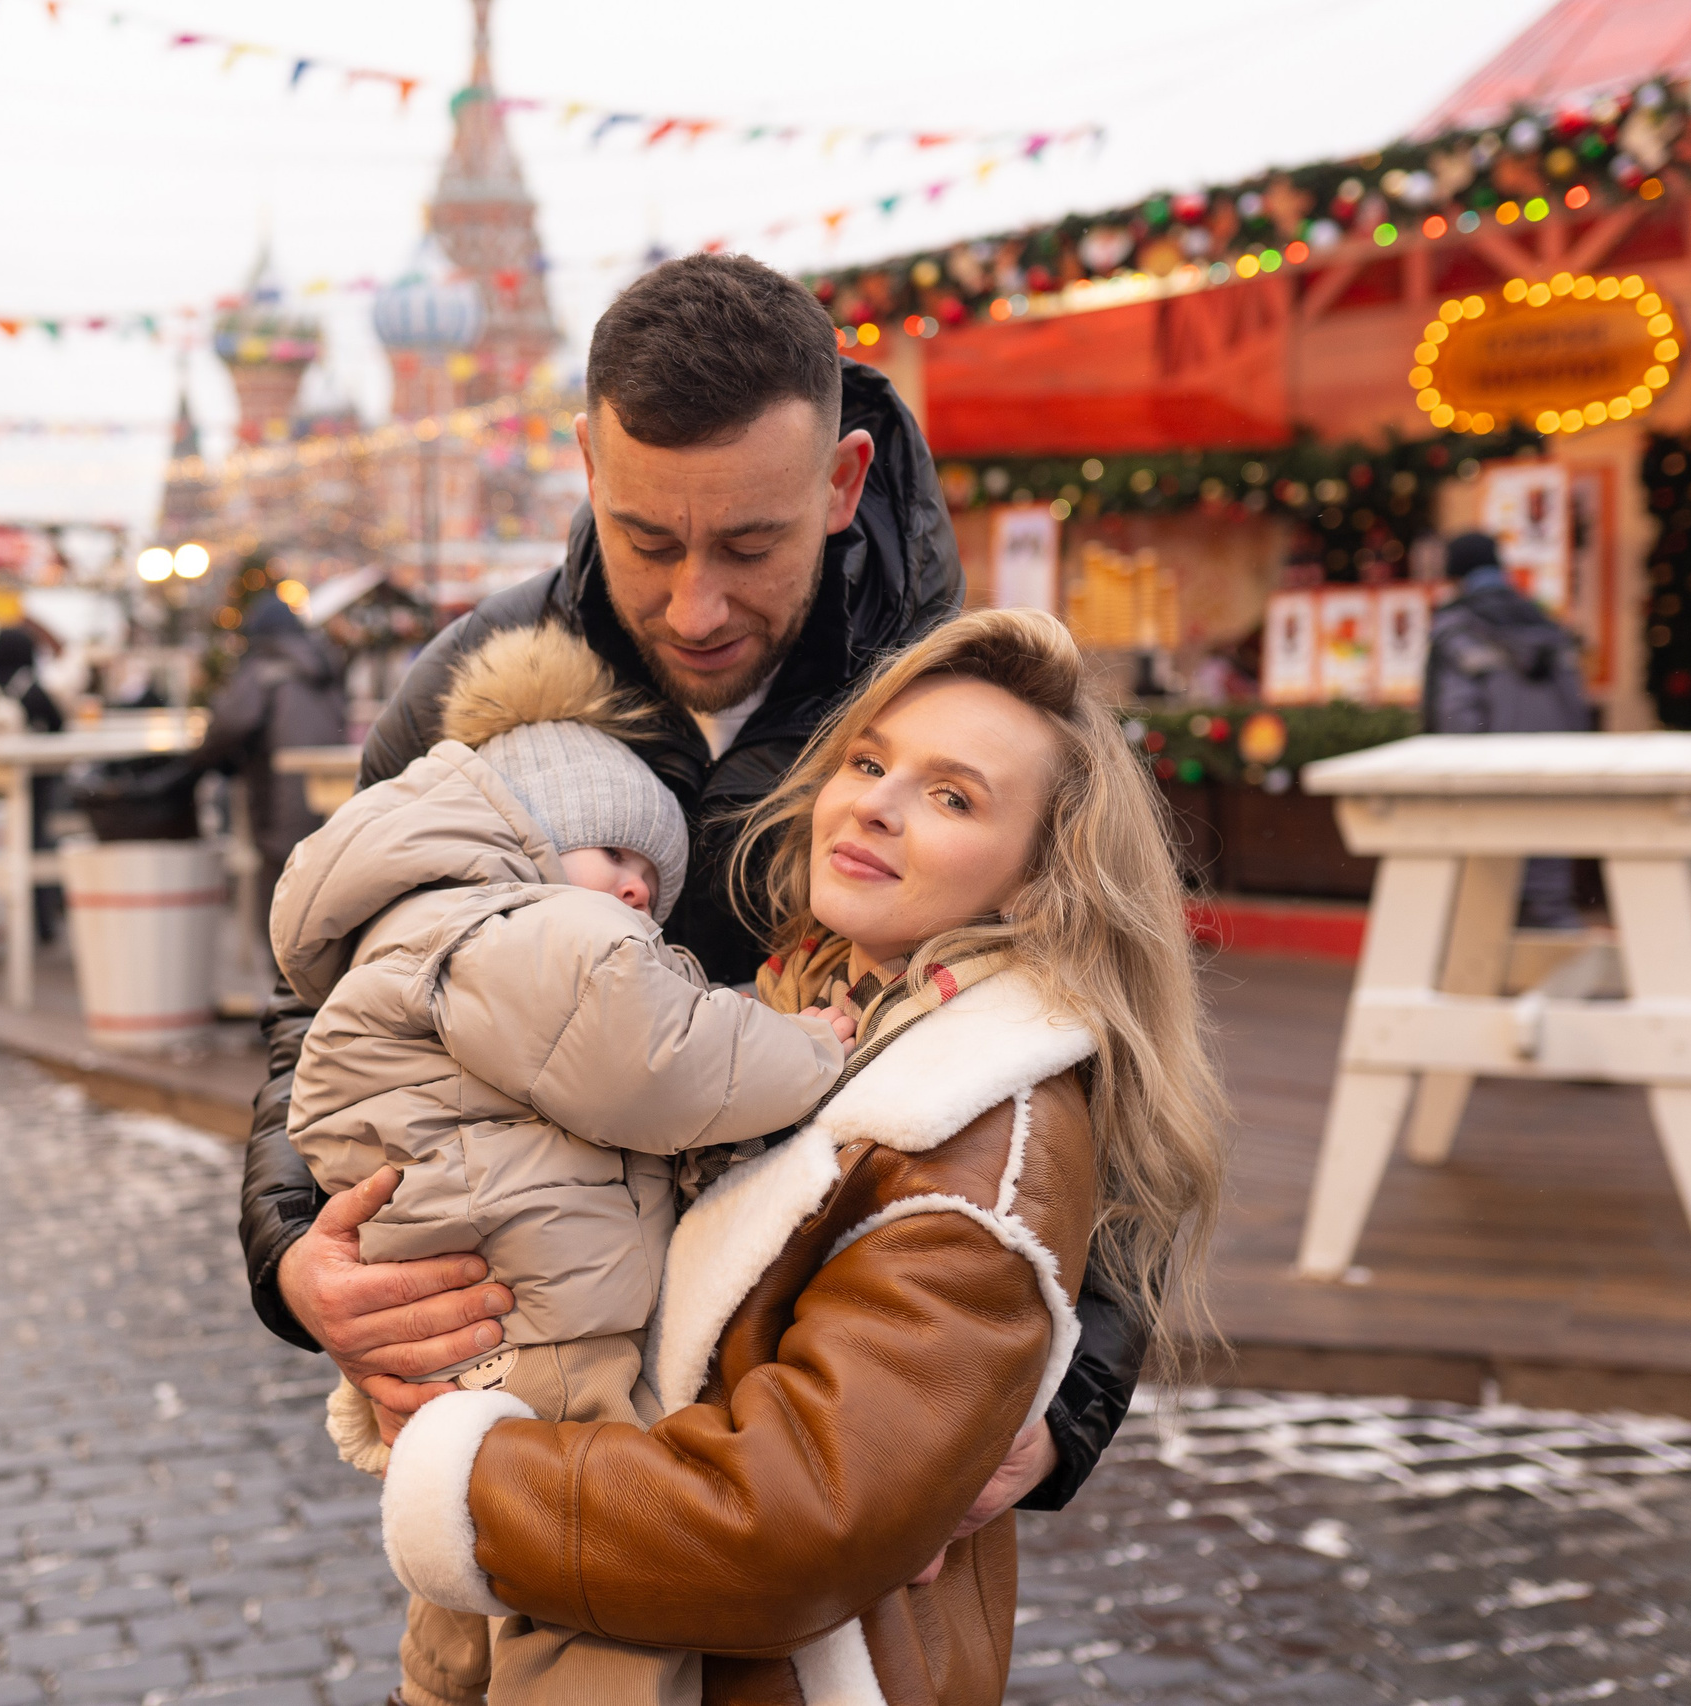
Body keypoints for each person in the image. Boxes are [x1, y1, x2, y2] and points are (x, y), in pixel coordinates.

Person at [239, 255, 1146, 1544]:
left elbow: (1127, 1061)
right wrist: (292, 1254)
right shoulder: (469, 689)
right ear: (585, 468)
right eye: (648, 540)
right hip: (541, 1378)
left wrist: (1075, 1401)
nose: (695, 602)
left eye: (750, 543)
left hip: (834, 1377)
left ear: (840, 483)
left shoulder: (969, 715)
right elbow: (316, 1003)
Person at [377, 608, 1229, 1704]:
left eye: (952, 794)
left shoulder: (969, 1126)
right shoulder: (790, 1015)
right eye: (869, 760)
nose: (873, 800)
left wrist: (460, 1469)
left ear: (1037, 877)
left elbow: (785, 1526)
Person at [276, 623, 855, 1706]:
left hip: (493, 1308)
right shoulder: (520, 934)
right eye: (614, 857)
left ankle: (438, 1691)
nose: (637, 890)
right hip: (540, 1318)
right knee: (603, 1568)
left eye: (652, 872)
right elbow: (656, 1058)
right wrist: (818, 1043)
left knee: (472, 1544)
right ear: (533, 841)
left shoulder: (449, 931)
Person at [1424, 530, 1591, 926]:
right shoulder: (1544, 621)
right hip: (1552, 768)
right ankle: (1554, 954)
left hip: (1487, 771)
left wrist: (1450, 772)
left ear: (1454, 571)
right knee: (1548, 886)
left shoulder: (1455, 627)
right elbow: (1575, 704)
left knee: (1486, 901)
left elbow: (1455, 711)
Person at [188, 595, 347, 942]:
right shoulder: (323, 667)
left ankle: (285, 990)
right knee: (324, 896)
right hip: (336, 802)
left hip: (281, 803)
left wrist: (194, 766)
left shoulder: (263, 670)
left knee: (278, 903)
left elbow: (227, 727)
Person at [0, 626, 67, 939]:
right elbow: (60, 726)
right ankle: (44, 920)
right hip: (32, 788)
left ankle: (2, 923)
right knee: (42, 836)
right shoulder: (33, 688)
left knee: (14, 841)